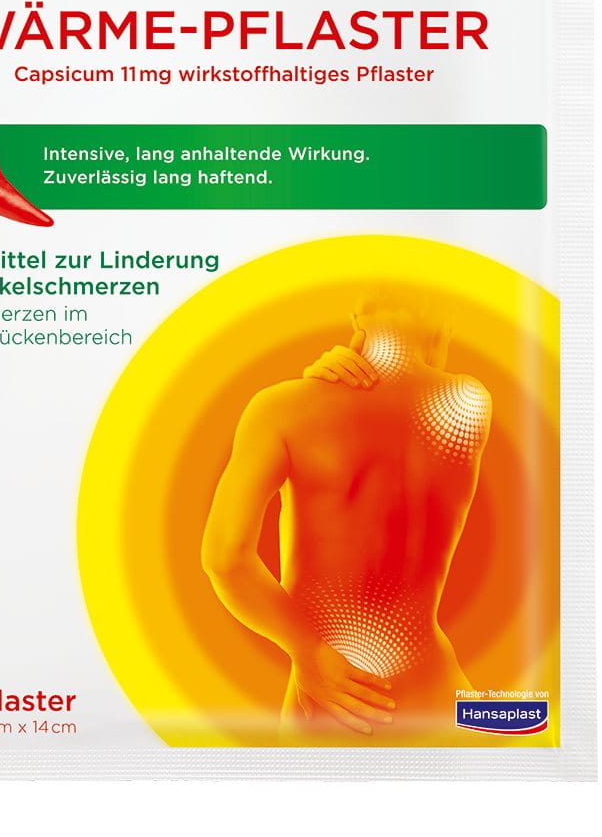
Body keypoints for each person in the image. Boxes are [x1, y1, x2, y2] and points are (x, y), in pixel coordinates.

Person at [201, 300, 492, 737]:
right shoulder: (470, 402)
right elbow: (420, 377)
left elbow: (225, 559)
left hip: (341, 699)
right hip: (441, 696)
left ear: (357, 316)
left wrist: (308, 651)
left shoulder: (283, 407)